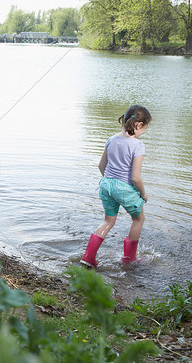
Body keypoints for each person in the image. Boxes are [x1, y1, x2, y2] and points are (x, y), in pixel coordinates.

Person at [81, 105, 152, 267]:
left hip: (106, 185)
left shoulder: (111, 140)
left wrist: (111, 184)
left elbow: (101, 166)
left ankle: (88, 257)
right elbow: (135, 177)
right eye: (145, 128)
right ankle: (129, 260)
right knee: (138, 219)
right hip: (124, 188)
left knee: (108, 221)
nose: (144, 132)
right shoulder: (137, 145)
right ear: (139, 125)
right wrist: (143, 194)